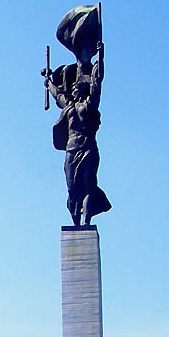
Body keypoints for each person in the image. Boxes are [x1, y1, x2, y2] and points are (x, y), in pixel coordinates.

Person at [45, 40, 111, 226]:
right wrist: (49, 82)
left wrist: (101, 57)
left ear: (84, 89)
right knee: (73, 189)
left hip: (88, 147)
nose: (74, 88)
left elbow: (97, 82)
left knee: (89, 186)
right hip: (71, 150)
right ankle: (75, 224)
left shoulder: (89, 105)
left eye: (78, 86)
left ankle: (86, 221)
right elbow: (58, 95)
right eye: (73, 87)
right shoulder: (69, 107)